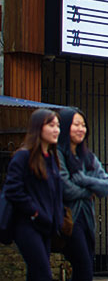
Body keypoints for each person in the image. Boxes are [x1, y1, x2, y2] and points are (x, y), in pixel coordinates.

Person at [4, 108, 64, 281]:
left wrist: (57, 218)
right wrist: (35, 212)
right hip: (27, 225)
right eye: (51, 125)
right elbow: (12, 190)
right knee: (43, 274)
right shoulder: (23, 157)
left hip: (47, 226)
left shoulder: (51, 158)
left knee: (36, 274)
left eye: (58, 126)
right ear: (38, 128)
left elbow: (55, 193)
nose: (56, 130)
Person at [56, 107, 108, 281]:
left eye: (83, 125)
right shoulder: (57, 154)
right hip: (67, 219)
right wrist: (90, 191)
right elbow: (65, 189)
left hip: (86, 220)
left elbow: (107, 186)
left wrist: (84, 180)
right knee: (84, 267)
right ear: (65, 127)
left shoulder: (89, 158)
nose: (81, 129)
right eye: (76, 125)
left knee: (84, 269)